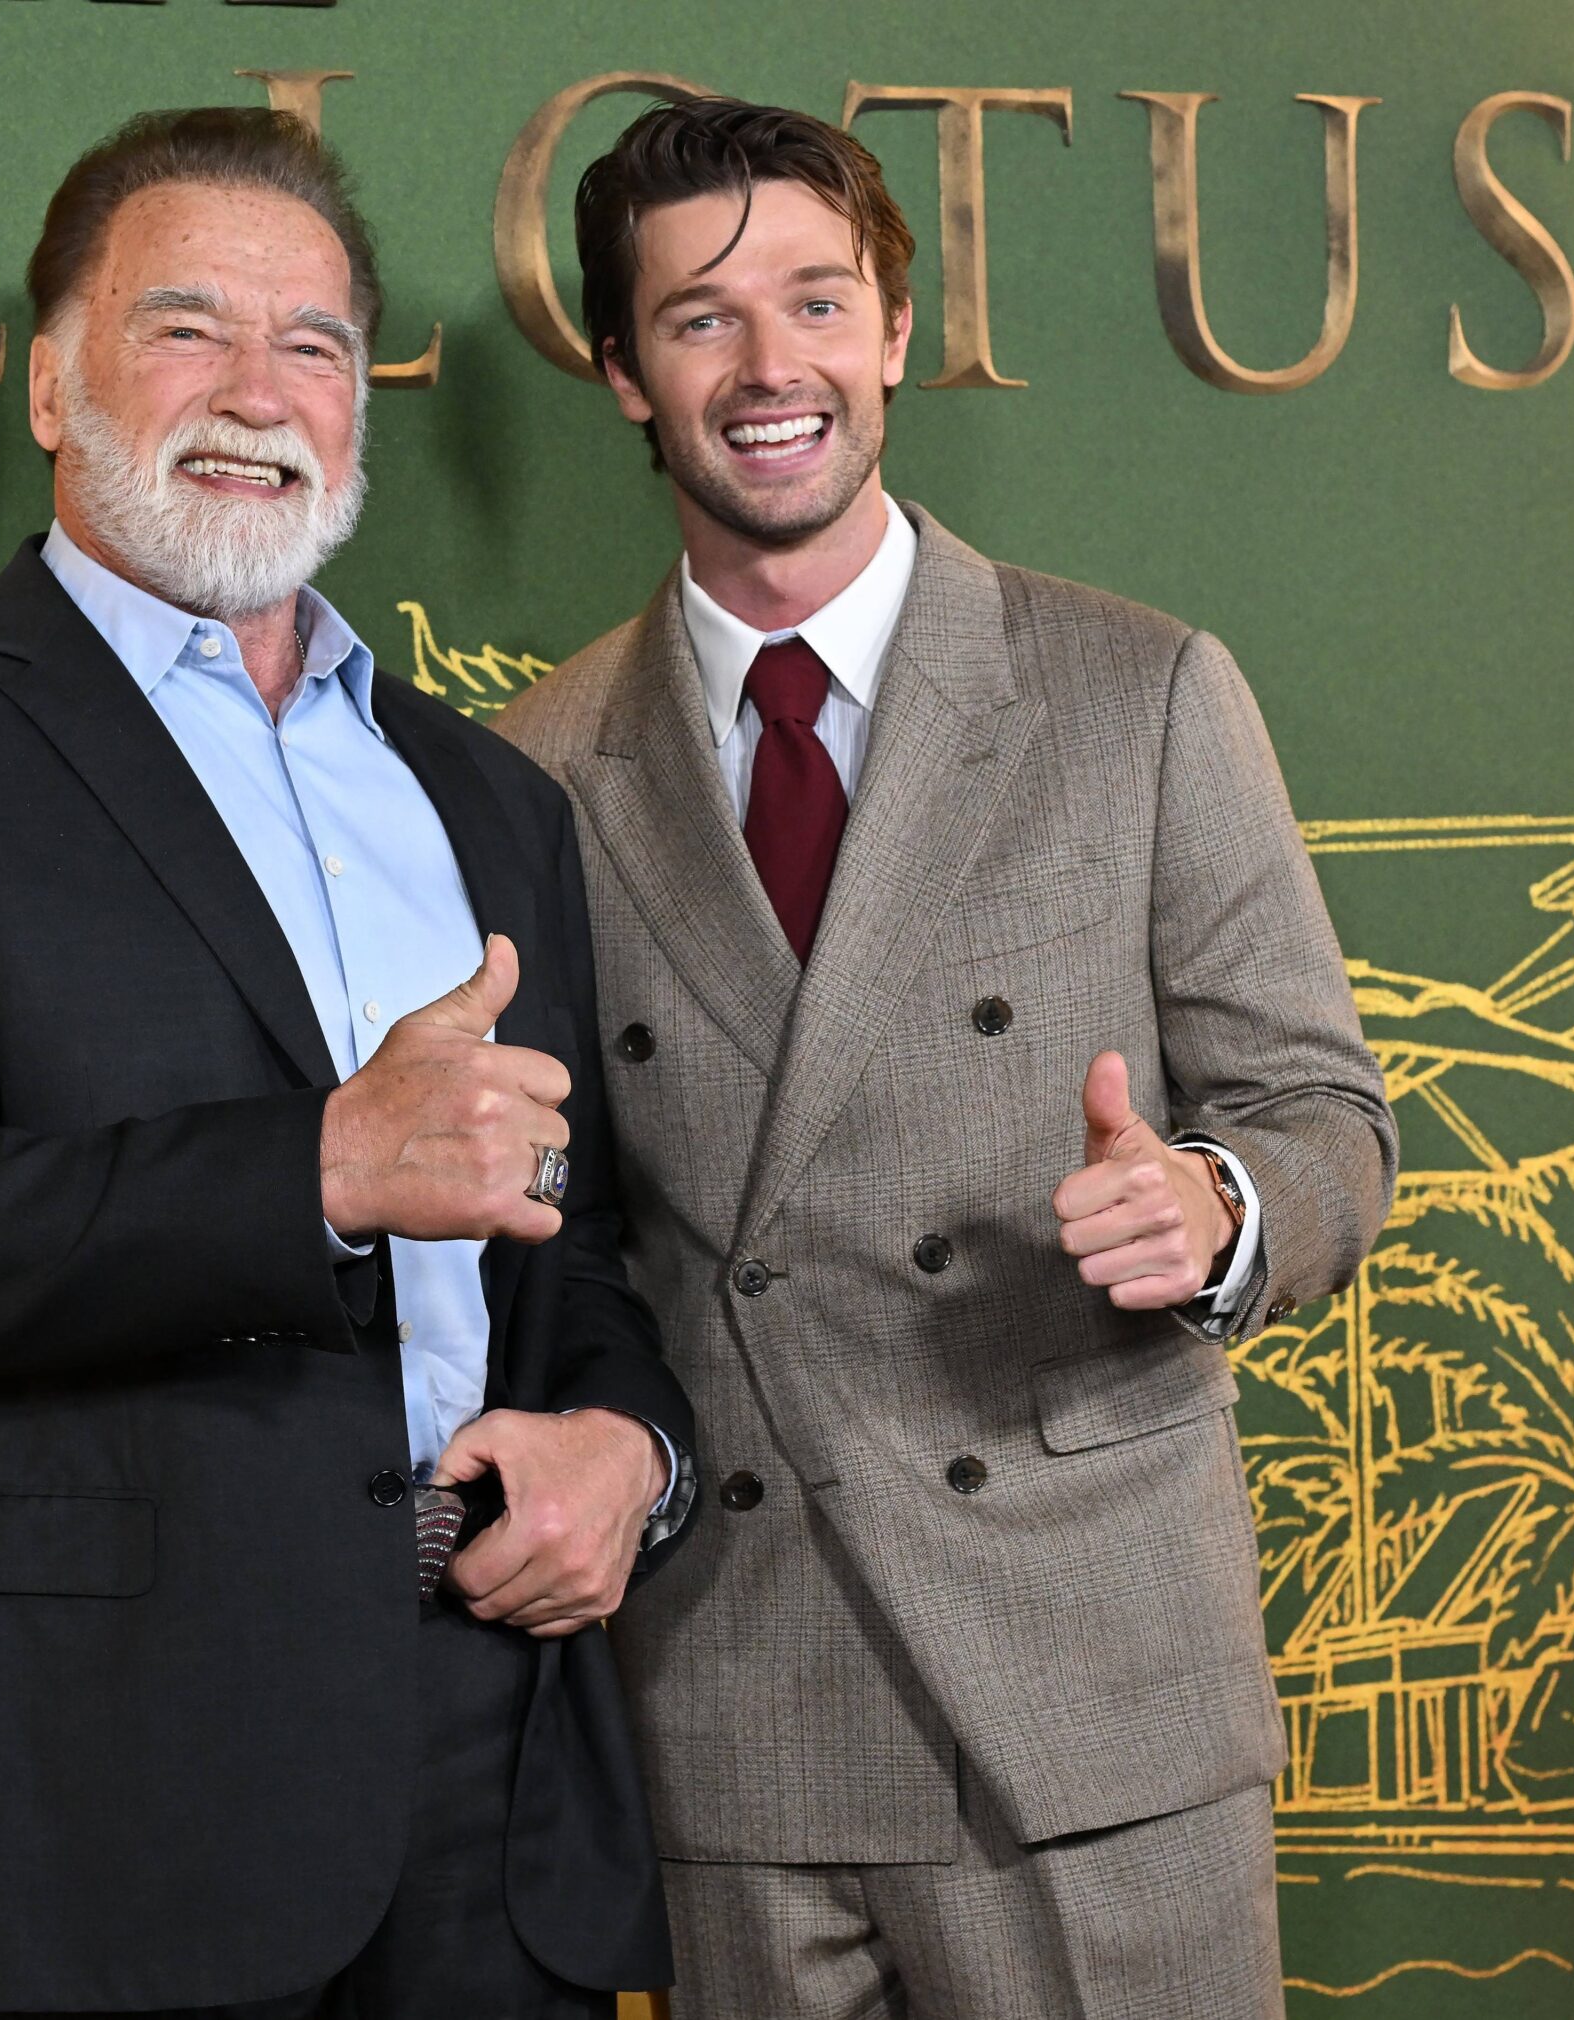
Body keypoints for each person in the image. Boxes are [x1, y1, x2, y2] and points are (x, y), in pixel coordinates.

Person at [0, 107, 694, 2020]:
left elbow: (579, 1254)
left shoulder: (487, 796)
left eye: (315, 346)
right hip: (114, 1783)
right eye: (186, 328)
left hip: (500, 1753)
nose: (260, 392)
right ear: (49, 385)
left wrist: (629, 1453)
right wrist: (324, 1166)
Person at [495, 98, 1398, 2020]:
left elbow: (1326, 1116)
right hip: (732, 1704)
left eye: (818, 302)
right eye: (701, 319)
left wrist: (1220, 1210)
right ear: (623, 374)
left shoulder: (1138, 689)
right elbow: (541, 1243)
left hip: (1092, 1700)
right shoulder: (528, 771)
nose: (772, 369)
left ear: (894, 333)